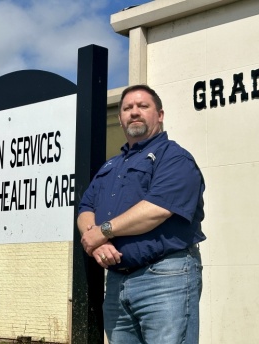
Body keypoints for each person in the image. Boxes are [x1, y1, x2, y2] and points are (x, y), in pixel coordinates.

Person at [78, 84, 206, 343]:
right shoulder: (111, 166)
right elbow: (85, 208)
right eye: (127, 108)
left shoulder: (174, 158)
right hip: (116, 282)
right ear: (120, 118)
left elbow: (156, 210)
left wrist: (101, 233)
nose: (134, 112)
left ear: (159, 115)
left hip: (165, 278)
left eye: (143, 106)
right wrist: (96, 244)